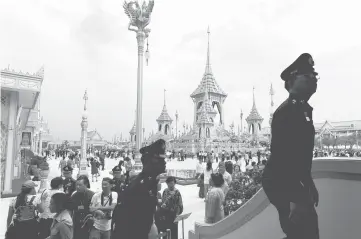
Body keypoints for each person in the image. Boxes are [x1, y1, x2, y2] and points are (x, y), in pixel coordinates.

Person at [262, 53, 319, 239]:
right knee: (303, 231)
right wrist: (292, 198)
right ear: (293, 80)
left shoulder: (304, 109)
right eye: (307, 76)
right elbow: (281, 156)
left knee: (307, 231)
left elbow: (301, 155)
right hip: (282, 183)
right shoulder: (286, 111)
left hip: (295, 184)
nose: (313, 80)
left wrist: (308, 184)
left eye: (314, 76)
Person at [112, 139, 167, 239]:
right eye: (160, 160)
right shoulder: (142, 184)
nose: (164, 163)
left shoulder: (150, 182)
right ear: (150, 163)